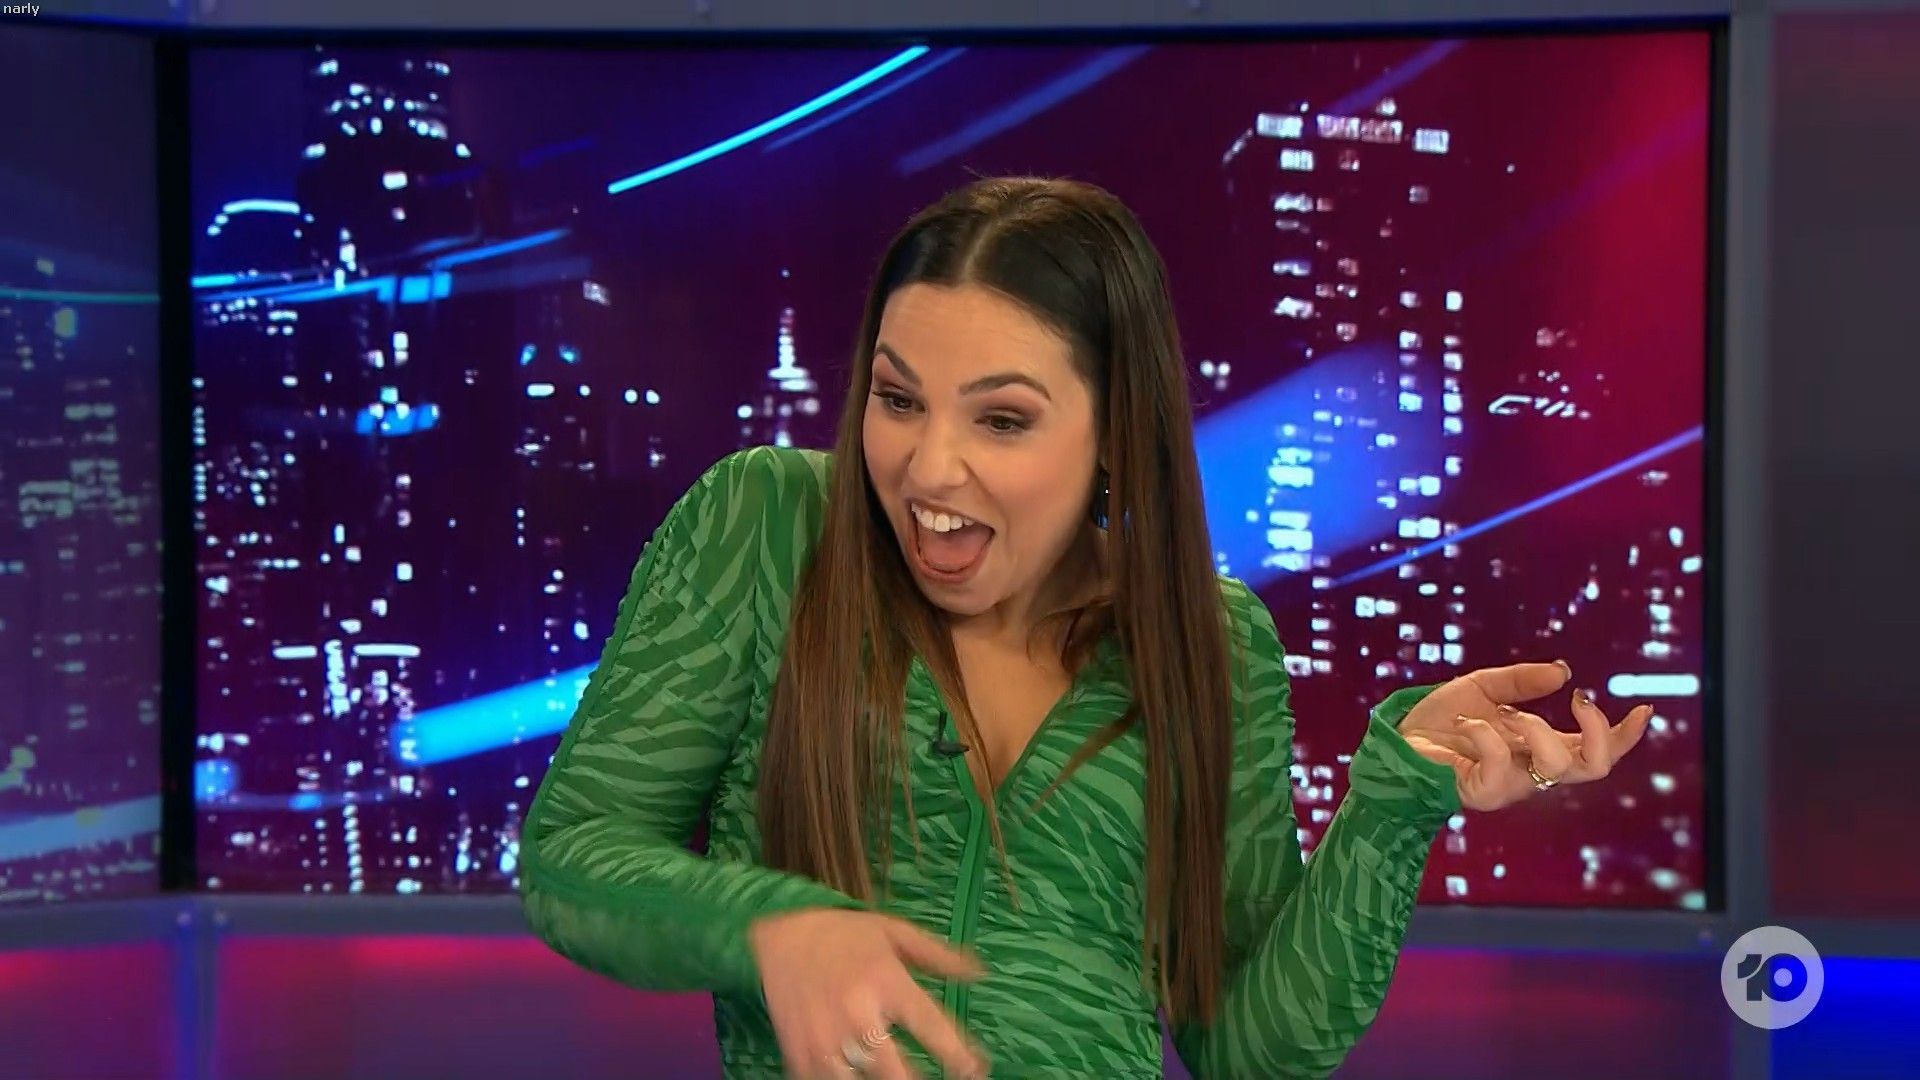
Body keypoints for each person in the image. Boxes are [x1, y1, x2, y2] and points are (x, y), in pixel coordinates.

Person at [518, 176, 1653, 1079]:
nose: (929, 468)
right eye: (899, 399)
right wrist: (776, 927)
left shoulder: (1211, 644)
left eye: (1002, 419)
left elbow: (1249, 1047)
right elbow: (577, 857)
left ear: (1114, 431)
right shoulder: (768, 528)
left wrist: (1397, 799)